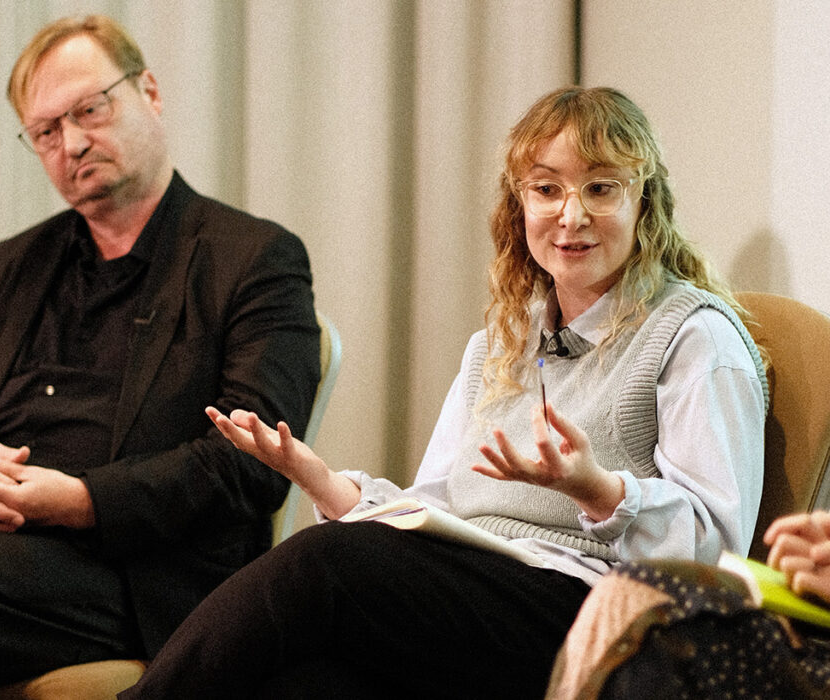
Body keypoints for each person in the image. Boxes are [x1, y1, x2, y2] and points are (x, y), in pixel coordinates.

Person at [119, 86, 769, 700]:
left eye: (601, 188)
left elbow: (715, 552)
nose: (571, 215)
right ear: (519, 206)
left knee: (324, 563)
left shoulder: (695, 336)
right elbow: (430, 511)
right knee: (298, 682)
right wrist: (321, 481)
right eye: (547, 189)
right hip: (474, 596)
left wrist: (597, 488)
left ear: (645, 202)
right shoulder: (498, 345)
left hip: (597, 612)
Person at [0, 14, 319, 699]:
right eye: (46, 131)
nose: (72, 143)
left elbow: (253, 466)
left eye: (89, 110)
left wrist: (80, 502)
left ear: (150, 93)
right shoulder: (11, 265)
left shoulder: (251, 257)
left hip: (123, 569)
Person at [545, 512, 830, 699]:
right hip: (532, 554)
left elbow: (707, 542)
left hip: (576, 570)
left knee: (648, 600)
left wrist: (606, 497)